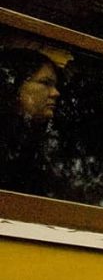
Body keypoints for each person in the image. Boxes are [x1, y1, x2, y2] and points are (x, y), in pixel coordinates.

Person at [0, 48, 61, 195]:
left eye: (55, 85)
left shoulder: (36, 140)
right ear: (15, 86)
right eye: (45, 83)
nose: (56, 93)